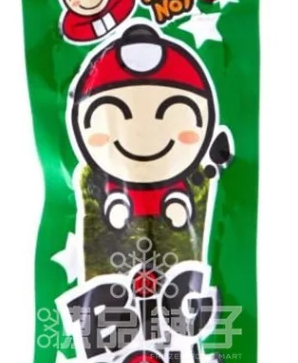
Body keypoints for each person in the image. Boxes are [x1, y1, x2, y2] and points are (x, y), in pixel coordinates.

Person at [69, 24, 223, 230]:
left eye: (173, 113)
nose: (141, 134)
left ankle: (175, 201)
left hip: (172, 191)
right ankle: (118, 202)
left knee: (175, 197)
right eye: (116, 113)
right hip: (117, 193)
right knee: (116, 198)